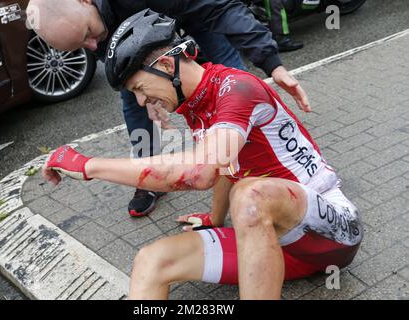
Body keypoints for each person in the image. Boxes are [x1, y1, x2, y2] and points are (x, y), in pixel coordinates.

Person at [42, 10, 363, 299]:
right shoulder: (197, 105)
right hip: (273, 248)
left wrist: (88, 165)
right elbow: (228, 168)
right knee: (150, 261)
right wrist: (214, 219)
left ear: (166, 66)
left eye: (140, 88)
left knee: (249, 195)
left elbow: (200, 173)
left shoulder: (236, 88)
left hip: (330, 234)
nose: (141, 102)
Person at [27, 0, 311, 218]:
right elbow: (120, 71)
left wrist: (272, 62)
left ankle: (275, 159)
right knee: (133, 103)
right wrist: (146, 94)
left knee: (232, 83)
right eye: (82, 46)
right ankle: (150, 177)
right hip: (136, 45)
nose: (93, 44)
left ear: (85, 0)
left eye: (88, 33)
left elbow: (220, 7)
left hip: (195, 15)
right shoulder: (85, 28)